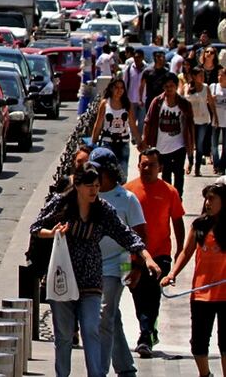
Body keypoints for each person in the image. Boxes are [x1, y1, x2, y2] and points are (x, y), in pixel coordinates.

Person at [30, 163, 161, 377]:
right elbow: (35, 228)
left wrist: (147, 258)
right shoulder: (61, 203)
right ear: (78, 185)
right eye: (90, 185)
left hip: (91, 277)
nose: (94, 190)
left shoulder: (103, 209)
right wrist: (52, 233)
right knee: (63, 335)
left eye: (97, 186)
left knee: (92, 329)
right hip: (63, 274)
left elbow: (126, 235)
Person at [90, 148, 147, 377]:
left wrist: (137, 268)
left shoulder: (127, 199)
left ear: (110, 173)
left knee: (104, 314)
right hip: (93, 266)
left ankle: (99, 371)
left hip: (120, 264)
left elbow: (141, 235)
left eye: (97, 172)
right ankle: (125, 367)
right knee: (112, 316)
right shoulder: (88, 195)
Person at [126, 148, 187, 356]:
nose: (147, 168)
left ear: (160, 167)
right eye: (143, 164)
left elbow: (177, 221)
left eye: (151, 165)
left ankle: (145, 336)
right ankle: (149, 329)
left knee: (152, 294)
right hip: (131, 255)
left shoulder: (169, 191)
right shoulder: (128, 191)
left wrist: (180, 249)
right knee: (136, 292)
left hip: (160, 254)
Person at [161, 183, 226, 377]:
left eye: (212, 198)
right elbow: (186, 253)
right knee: (198, 341)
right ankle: (205, 374)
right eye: (206, 198)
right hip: (201, 293)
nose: (208, 203)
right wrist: (172, 274)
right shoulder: (199, 226)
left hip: (224, 294)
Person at [144, 72, 197, 190]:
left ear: (177, 86)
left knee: (179, 173)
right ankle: (168, 199)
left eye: (172, 86)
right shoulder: (157, 102)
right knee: (165, 174)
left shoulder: (184, 104)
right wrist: (145, 141)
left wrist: (191, 150)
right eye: (166, 86)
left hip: (179, 146)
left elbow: (190, 127)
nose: (169, 89)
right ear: (163, 87)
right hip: (161, 147)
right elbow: (148, 122)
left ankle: (178, 199)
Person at [92, 77, 141, 179]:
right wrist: (92, 145)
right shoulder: (105, 104)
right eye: (116, 87)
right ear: (111, 88)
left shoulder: (127, 104)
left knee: (122, 174)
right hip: (108, 142)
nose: (119, 90)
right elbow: (98, 125)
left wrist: (140, 143)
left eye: (122, 88)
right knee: (108, 173)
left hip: (123, 142)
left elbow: (133, 126)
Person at [184, 67, 217, 178]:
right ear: (194, 76)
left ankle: (197, 167)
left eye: (203, 75)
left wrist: (215, 116)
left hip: (203, 120)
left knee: (199, 144)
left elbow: (211, 103)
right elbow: (183, 101)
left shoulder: (206, 87)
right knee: (189, 144)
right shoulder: (187, 87)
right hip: (190, 120)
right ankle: (190, 161)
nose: (203, 77)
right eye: (200, 75)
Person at [124, 48, 149, 128]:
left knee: (142, 121)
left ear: (142, 57)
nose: (137, 59)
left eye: (139, 57)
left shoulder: (147, 70)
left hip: (143, 100)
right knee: (131, 120)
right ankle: (134, 138)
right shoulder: (128, 69)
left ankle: (139, 138)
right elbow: (125, 83)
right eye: (135, 57)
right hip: (131, 99)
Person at [212, 68, 226, 176]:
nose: (220, 77)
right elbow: (208, 102)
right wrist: (211, 100)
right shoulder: (214, 87)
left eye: (222, 75)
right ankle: (216, 165)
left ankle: (222, 165)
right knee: (214, 145)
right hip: (215, 120)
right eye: (219, 75)